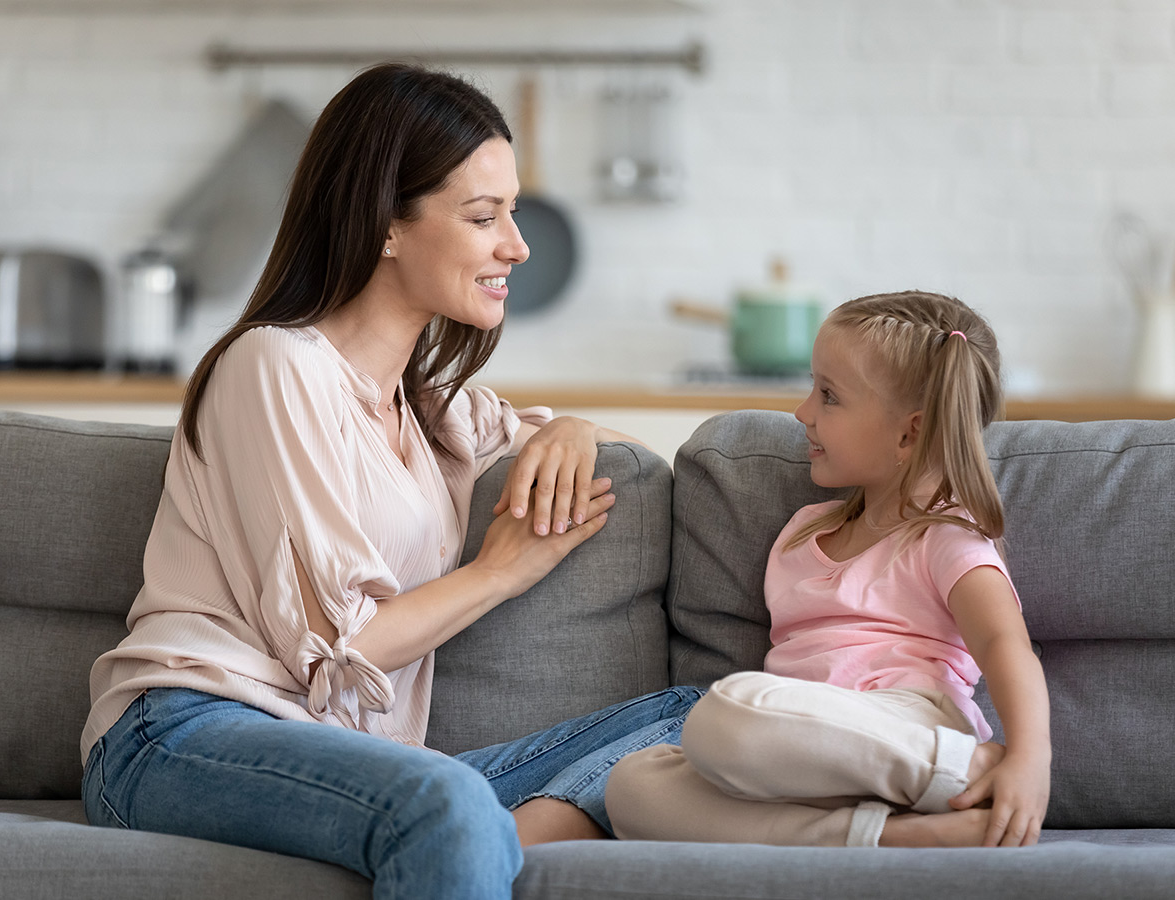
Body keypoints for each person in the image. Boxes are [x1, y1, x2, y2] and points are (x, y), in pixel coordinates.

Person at [79, 63, 699, 899]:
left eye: (512, 212)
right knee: (446, 802)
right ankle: (471, 830)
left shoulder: (432, 413)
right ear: (385, 227)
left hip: (356, 758)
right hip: (187, 732)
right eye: (483, 216)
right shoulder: (275, 365)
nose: (516, 245)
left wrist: (574, 427)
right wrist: (500, 571)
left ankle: (491, 838)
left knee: (697, 716)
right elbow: (343, 653)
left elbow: (640, 458)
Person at [606, 291, 1051, 850]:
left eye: (829, 396)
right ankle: (890, 836)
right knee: (631, 786)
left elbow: (1006, 644)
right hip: (803, 757)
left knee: (724, 713)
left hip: (903, 724)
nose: (803, 412)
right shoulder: (802, 532)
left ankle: (964, 767)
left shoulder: (945, 536)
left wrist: (1030, 759)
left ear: (909, 433)